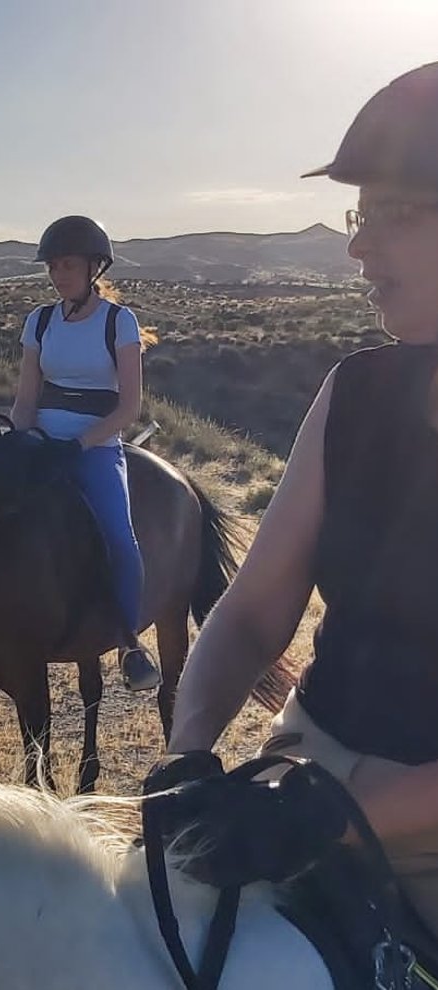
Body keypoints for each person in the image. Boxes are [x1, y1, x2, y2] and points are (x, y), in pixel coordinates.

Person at [154, 61, 438, 937]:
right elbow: (253, 610)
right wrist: (191, 750)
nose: (356, 246)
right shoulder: (354, 391)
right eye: (363, 214)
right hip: (306, 762)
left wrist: (332, 818)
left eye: (394, 215)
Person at [0, 214, 161, 693]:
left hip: (95, 447)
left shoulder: (119, 322)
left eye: (67, 265)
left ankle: (130, 643)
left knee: (118, 537)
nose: (57, 274)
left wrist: (79, 445)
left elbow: (128, 407)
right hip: (42, 444)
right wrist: (15, 437)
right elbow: (26, 399)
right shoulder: (40, 321)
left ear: (94, 267)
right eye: (52, 266)